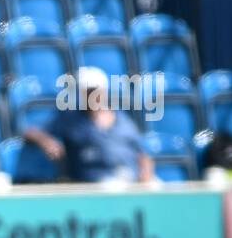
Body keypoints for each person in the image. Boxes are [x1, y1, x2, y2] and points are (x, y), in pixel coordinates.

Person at [23, 67, 155, 184]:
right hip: (95, 186)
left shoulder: (123, 120)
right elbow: (31, 132)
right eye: (89, 91)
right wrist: (46, 141)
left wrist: (146, 176)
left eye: (96, 90)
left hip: (130, 183)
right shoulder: (69, 119)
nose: (93, 95)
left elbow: (143, 154)